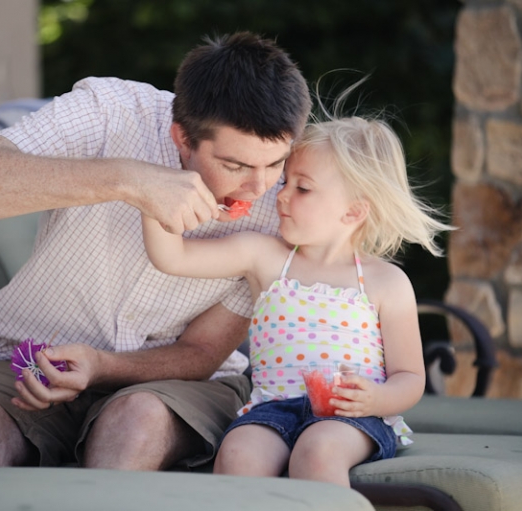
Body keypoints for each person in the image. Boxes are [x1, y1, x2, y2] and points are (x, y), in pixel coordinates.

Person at [0, 32, 312, 469]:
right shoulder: (110, 111)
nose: (259, 188)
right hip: (21, 358)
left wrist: (101, 366)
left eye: (274, 163)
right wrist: (127, 179)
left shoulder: (286, 205)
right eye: (235, 165)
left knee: (135, 421)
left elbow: (200, 354)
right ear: (182, 138)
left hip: (172, 385)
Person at [141, 83, 453, 486]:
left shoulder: (385, 282)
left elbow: (410, 377)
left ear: (353, 211)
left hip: (351, 417)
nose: (281, 196)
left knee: (317, 452)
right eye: (285, 182)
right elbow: (174, 257)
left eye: (302, 188)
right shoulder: (266, 257)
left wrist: (376, 399)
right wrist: (151, 199)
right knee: (237, 455)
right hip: (272, 409)